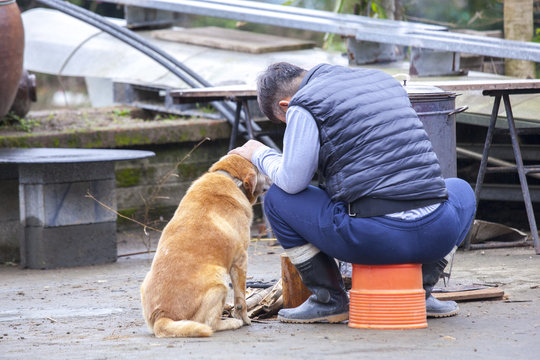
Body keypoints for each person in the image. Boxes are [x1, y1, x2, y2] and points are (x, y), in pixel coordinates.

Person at [229, 62, 476, 324]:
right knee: (461, 190)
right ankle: (420, 290)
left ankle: (329, 300)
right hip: (437, 231)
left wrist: (258, 152)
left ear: (285, 106)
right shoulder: (384, 81)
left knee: (279, 198)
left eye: (285, 124)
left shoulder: (304, 103)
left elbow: (293, 180)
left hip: (374, 239)